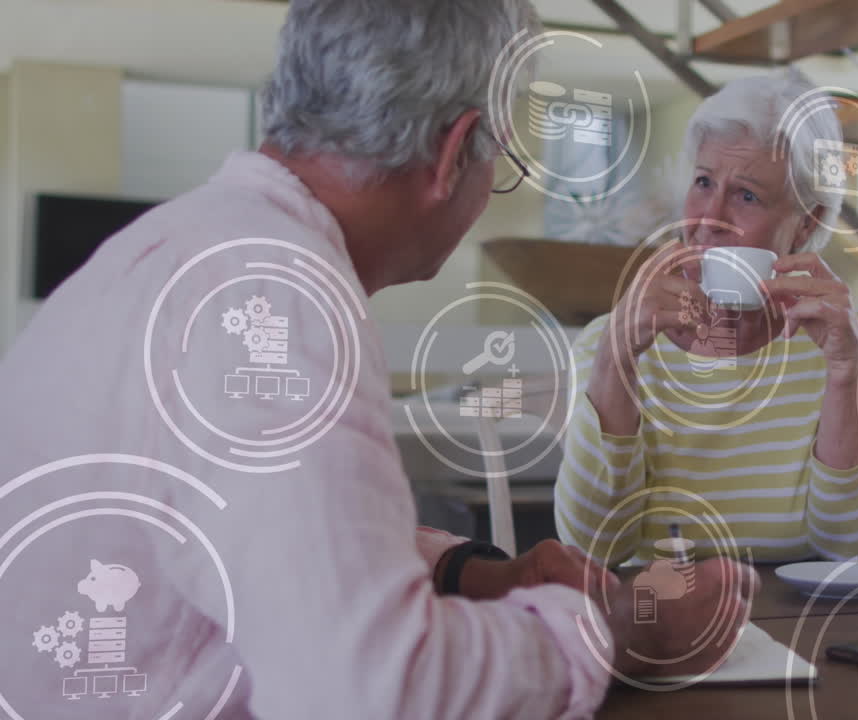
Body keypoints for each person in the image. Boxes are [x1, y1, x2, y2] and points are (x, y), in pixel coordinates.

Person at [0, 1, 754, 717]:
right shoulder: (274, 296)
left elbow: (275, 543)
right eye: (503, 162)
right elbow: (374, 688)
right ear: (456, 155)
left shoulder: (191, 243)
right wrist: (624, 634)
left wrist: (470, 574)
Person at [555, 73, 858, 566]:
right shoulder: (610, 342)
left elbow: (854, 549)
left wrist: (845, 374)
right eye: (703, 183)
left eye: (745, 196)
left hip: (796, 631)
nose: (706, 218)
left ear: (806, 221)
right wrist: (616, 359)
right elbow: (593, 549)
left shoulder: (854, 340)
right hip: (657, 626)